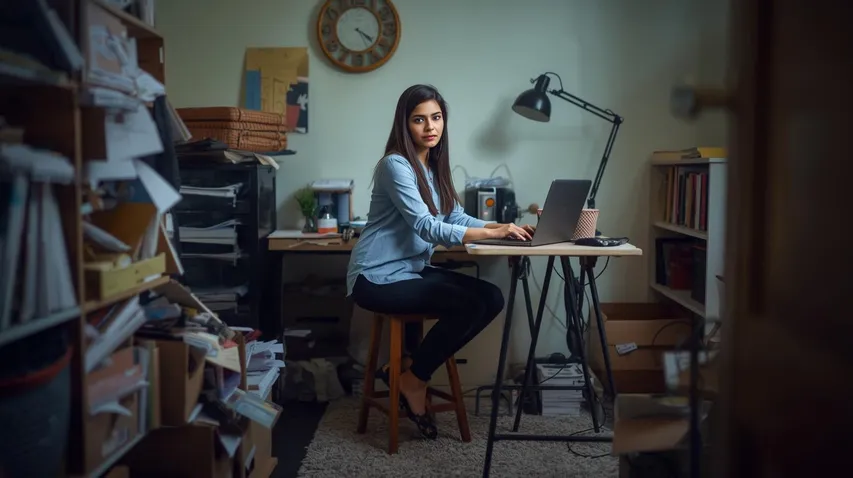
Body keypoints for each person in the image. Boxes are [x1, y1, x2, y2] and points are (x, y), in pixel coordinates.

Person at [347, 84, 535, 439]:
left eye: (436, 118)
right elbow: (426, 226)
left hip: (412, 272)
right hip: (376, 279)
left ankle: (409, 374)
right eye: (419, 120)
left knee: (491, 298)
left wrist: (502, 228)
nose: (430, 127)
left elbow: (457, 218)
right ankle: (415, 380)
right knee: (467, 302)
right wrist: (494, 234)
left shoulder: (432, 167)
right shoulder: (395, 165)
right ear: (405, 124)